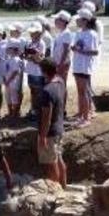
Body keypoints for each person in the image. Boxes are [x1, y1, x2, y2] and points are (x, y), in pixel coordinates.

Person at [37, 59, 68, 188]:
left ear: (43, 72)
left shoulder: (47, 91)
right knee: (58, 159)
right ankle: (63, 186)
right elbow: (64, 100)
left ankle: (56, 191)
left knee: (50, 163)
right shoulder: (61, 82)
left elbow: (46, 117)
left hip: (50, 132)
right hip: (59, 127)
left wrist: (43, 136)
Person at [71, 9, 100, 127]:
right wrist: (75, 48)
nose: (76, 21)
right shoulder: (78, 33)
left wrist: (80, 50)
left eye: (79, 19)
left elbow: (94, 52)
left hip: (84, 66)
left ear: (85, 21)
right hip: (77, 65)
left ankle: (86, 118)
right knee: (80, 92)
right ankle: (82, 115)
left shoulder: (92, 34)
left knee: (84, 92)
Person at [24, 25, 47, 120]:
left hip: (38, 72)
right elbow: (27, 56)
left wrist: (31, 57)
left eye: (33, 32)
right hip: (30, 71)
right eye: (31, 32)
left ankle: (37, 112)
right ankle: (33, 110)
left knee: (38, 92)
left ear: (38, 33)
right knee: (33, 92)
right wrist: (30, 57)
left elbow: (39, 59)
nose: (31, 34)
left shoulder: (41, 43)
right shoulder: (30, 43)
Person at [3, 43, 24, 119]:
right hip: (8, 82)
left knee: (14, 98)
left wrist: (8, 80)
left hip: (13, 83)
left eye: (9, 48)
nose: (7, 50)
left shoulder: (16, 59)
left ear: (14, 49)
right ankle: (10, 112)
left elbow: (16, 72)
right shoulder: (9, 58)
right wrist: (5, 79)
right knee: (8, 98)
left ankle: (14, 114)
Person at [51, 11, 74, 80]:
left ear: (63, 22)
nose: (55, 21)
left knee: (62, 82)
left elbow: (66, 50)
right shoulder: (60, 33)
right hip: (58, 61)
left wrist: (61, 63)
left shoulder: (66, 33)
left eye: (57, 20)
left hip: (62, 62)